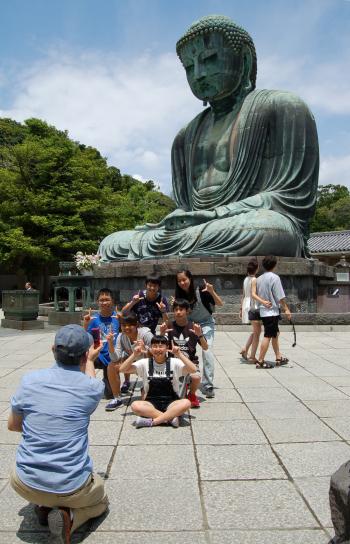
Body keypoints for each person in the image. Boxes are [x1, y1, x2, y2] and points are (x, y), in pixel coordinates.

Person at [98, 15, 318, 261]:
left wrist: (214, 215)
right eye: (190, 67)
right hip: (199, 228)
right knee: (111, 243)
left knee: (270, 229)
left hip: (251, 222)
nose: (199, 74)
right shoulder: (186, 136)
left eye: (210, 59)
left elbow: (290, 198)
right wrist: (182, 218)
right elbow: (185, 205)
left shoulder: (283, 107)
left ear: (244, 59)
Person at [8, 324, 108, 544]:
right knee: (101, 499)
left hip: (24, 482)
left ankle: (44, 505)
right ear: (84, 355)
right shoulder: (92, 389)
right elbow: (90, 383)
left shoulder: (29, 380)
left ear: (53, 349)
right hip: (70, 486)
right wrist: (91, 361)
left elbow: (13, 426)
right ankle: (69, 517)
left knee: (40, 485)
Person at [119, 335, 196, 428]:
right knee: (135, 405)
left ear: (167, 348)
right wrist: (134, 355)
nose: (157, 349)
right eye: (155, 346)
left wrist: (179, 354)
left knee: (186, 403)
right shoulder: (145, 362)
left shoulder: (174, 362)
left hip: (171, 402)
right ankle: (170, 419)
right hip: (151, 403)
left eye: (161, 346)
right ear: (151, 348)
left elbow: (193, 369)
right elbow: (122, 369)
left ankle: (153, 422)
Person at [175, 269, 223, 398]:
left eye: (184, 279)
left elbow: (220, 303)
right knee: (184, 350)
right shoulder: (179, 295)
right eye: (179, 281)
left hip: (206, 324)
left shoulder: (202, 289)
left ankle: (207, 384)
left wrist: (212, 291)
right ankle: (186, 379)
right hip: (189, 324)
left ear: (190, 279)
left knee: (207, 351)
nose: (182, 282)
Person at [160, 298, 208, 408]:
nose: (178, 312)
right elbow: (159, 346)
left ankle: (191, 394)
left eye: (181, 309)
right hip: (172, 363)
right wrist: (162, 334)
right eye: (176, 309)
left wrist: (199, 335)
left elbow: (205, 348)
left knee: (196, 377)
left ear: (187, 311)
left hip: (190, 362)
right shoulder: (170, 326)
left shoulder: (193, 327)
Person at [105, 312, 154, 411]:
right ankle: (117, 398)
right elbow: (115, 358)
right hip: (135, 365)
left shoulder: (146, 334)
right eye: (124, 325)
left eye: (130, 325)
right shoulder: (121, 336)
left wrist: (146, 349)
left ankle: (148, 388)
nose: (127, 328)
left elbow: (159, 354)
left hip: (150, 367)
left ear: (136, 325)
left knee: (148, 401)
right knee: (111, 365)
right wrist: (110, 344)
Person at [254, 255, 292, 368]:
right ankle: (260, 361)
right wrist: (286, 309)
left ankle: (278, 357)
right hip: (272, 311)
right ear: (274, 265)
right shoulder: (275, 278)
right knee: (268, 335)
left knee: (274, 334)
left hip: (264, 311)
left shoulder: (259, 278)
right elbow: (280, 296)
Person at [83, 288, 119, 399]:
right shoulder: (93, 319)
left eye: (107, 299)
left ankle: (109, 379)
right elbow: (83, 337)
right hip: (98, 355)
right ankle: (84, 387)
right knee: (81, 360)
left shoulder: (117, 318)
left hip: (113, 357)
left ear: (112, 301)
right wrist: (85, 324)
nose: (104, 302)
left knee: (110, 395)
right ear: (98, 302)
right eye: (101, 300)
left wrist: (122, 321)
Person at [239, 260, 272, 363]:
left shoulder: (245, 279)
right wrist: (263, 301)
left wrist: (240, 308)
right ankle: (252, 356)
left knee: (256, 331)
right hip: (252, 305)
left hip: (246, 304)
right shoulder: (254, 280)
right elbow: (253, 294)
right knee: (257, 332)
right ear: (257, 269)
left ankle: (245, 349)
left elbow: (243, 295)